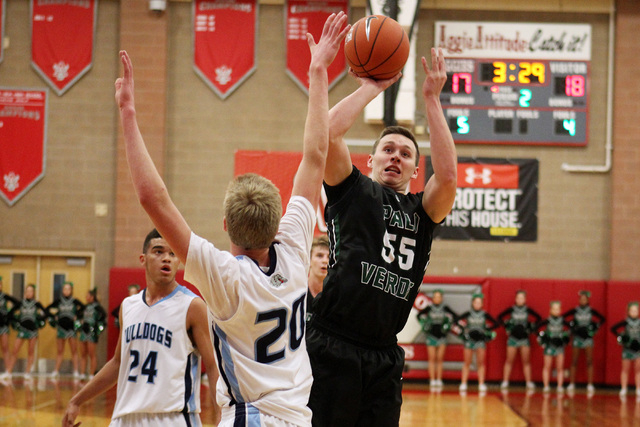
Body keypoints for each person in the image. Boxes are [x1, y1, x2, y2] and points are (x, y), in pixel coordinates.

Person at [114, 13, 349, 426]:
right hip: (298, 417)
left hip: (252, 417)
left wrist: (129, 114)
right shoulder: (294, 247)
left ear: (225, 225)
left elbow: (153, 198)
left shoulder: (226, 277)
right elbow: (315, 155)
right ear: (278, 224)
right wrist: (317, 71)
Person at [305, 45, 457, 426]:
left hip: (384, 354)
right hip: (331, 341)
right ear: (369, 161)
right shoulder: (352, 189)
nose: (396, 157)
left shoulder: (423, 213)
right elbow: (328, 131)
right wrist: (373, 86)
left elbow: (450, 176)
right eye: (387, 149)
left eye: (406, 154)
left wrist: (431, 101)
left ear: (415, 170)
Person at [62, 229, 221, 426]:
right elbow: (118, 363)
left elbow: (213, 366)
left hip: (172, 418)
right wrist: (77, 400)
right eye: (158, 252)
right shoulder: (128, 306)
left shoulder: (193, 306)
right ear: (143, 259)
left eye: (172, 254)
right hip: (125, 418)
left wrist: (222, 418)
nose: (166, 259)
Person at [562, 290, 605, 394]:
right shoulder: (575, 310)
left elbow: (602, 319)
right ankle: (572, 383)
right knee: (574, 361)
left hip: (587, 338)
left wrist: (594, 327)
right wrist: (572, 326)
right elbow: (563, 318)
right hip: (577, 338)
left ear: (588, 300)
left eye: (585, 299)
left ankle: (590, 384)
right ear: (579, 300)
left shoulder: (591, 311)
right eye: (581, 299)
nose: (583, 300)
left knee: (589, 361)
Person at [498, 290, 542, 391]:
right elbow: (499, 317)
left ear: (525, 299)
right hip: (513, 338)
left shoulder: (527, 310)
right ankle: (505, 381)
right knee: (509, 360)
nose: (520, 300)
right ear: (515, 299)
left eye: (522, 298)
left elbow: (539, 318)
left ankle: (528, 382)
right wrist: (507, 327)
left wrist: (531, 328)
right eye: (518, 298)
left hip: (524, 339)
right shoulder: (512, 309)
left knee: (526, 361)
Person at [456, 293, 499, 393]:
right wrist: (464, 329)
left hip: (480, 341)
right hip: (469, 340)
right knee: (467, 362)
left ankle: (481, 383)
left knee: (480, 363)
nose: (477, 304)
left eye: (479, 302)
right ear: (472, 303)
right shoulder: (468, 313)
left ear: (482, 304)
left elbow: (496, 323)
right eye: (476, 302)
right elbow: (456, 320)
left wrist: (487, 331)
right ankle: (463, 383)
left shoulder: (484, 314)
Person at [416, 289, 457, 389]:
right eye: (435, 297)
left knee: (439, 359)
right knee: (432, 358)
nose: (437, 299)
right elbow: (419, 315)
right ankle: (432, 379)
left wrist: (448, 325)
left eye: (439, 297)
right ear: (433, 298)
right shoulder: (429, 308)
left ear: (441, 298)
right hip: (431, 336)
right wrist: (424, 324)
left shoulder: (445, 308)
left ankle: (439, 379)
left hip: (442, 336)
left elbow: (455, 317)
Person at [5, 284, 47, 378]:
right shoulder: (20, 303)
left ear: (33, 293)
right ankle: (9, 372)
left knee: (30, 352)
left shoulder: (37, 304)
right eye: (27, 291)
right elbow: (10, 313)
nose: (29, 293)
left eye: (31, 291)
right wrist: (16, 322)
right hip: (22, 330)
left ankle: (27, 373)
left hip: (33, 331)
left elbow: (45, 313)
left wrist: (39, 321)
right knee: (15, 350)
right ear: (25, 292)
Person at [46, 281, 85, 378]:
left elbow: (84, 307)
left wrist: (77, 315)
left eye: (68, 289)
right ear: (62, 290)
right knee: (60, 351)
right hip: (61, 328)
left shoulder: (74, 301)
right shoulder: (59, 301)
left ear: (71, 290)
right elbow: (47, 309)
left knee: (74, 351)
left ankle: (76, 371)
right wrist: (54, 316)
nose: (66, 291)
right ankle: (56, 371)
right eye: (65, 289)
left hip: (71, 329)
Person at [536, 301, 571, 393]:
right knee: (547, 366)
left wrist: (565, 337)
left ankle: (560, 386)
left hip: (559, 346)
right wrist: (542, 337)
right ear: (550, 310)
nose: (556, 311)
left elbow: (571, 329)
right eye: (554, 309)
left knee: (560, 367)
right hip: (549, 346)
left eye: (558, 309)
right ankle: (546, 386)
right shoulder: (547, 320)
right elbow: (536, 328)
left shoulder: (562, 321)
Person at [610, 301, 640, 399]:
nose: (634, 312)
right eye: (632, 310)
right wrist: (622, 337)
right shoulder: (626, 322)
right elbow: (613, 328)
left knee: (638, 369)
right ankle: (623, 388)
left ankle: (638, 389)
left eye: (636, 310)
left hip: (638, 348)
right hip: (627, 348)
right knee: (625, 369)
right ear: (628, 312)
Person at [77, 289, 107, 380]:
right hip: (84, 331)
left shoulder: (98, 307)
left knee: (92, 354)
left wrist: (96, 327)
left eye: (88, 296)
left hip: (92, 332)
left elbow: (103, 316)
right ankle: (82, 373)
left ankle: (91, 373)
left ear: (92, 297)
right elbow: (78, 315)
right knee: (83, 354)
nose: (86, 297)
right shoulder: (85, 307)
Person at [0, 276, 19, 380]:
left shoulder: (4, 296)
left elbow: (17, 303)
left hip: (3, 325)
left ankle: (8, 371)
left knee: (5, 348)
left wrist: (8, 314)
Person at [307, 235, 329, 319]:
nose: (325, 261)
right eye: (319, 255)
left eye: (329, 256)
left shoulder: (335, 297)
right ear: (309, 260)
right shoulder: (298, 291)